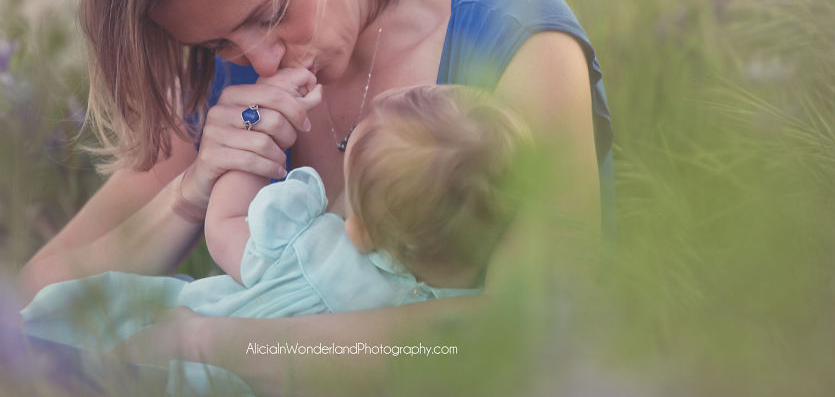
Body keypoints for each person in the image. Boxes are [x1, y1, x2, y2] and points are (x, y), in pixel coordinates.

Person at [17, 0, 613, 393]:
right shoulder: (221, 79)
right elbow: (37, 296)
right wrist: (190, 191)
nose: (261, 62)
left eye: (271, 14)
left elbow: (537, 328)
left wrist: (220, 343)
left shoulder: (517, 40)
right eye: (219, 41)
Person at [20, 84, 529, 394]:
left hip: (165, 359)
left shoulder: (313, 252)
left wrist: (257, 129)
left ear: (362, 229)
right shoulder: (459, 311)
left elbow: (225, 228)